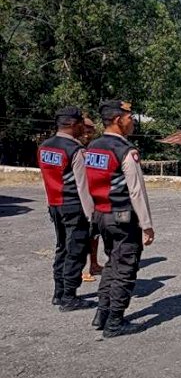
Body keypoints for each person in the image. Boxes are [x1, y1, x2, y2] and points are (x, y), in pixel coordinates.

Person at [85, 100, 155, 338]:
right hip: (123, 216)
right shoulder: (126, 151)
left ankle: (101, 313)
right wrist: (146, 225)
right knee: (125, 266)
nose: (132, 121)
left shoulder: (93, 147)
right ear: (117, 120)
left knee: (111, 263)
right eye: (129, 117)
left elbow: (86, 184)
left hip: (101, 215)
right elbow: (136, 191)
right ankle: (115, 321)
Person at [37, 106, 96, 311]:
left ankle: (58, 293)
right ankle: (69, 297)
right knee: (76, 251)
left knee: (62, 248)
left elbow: (47, 179)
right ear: (72, 124)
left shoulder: (44, 146)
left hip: (55, 205)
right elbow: (83, 185)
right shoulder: (76, 150)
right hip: (73, 206)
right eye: (81, 123)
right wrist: (91, 215)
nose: (83, 127)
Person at [80, 116, 103, 282]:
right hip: (79, 200)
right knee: (81, 236)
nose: (88, 134)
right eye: (85, 130)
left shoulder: (92, 148)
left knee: (94, 235)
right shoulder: (74, 149)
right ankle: (81, 269)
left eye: (90, 131)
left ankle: (93, 264)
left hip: (94, 197)